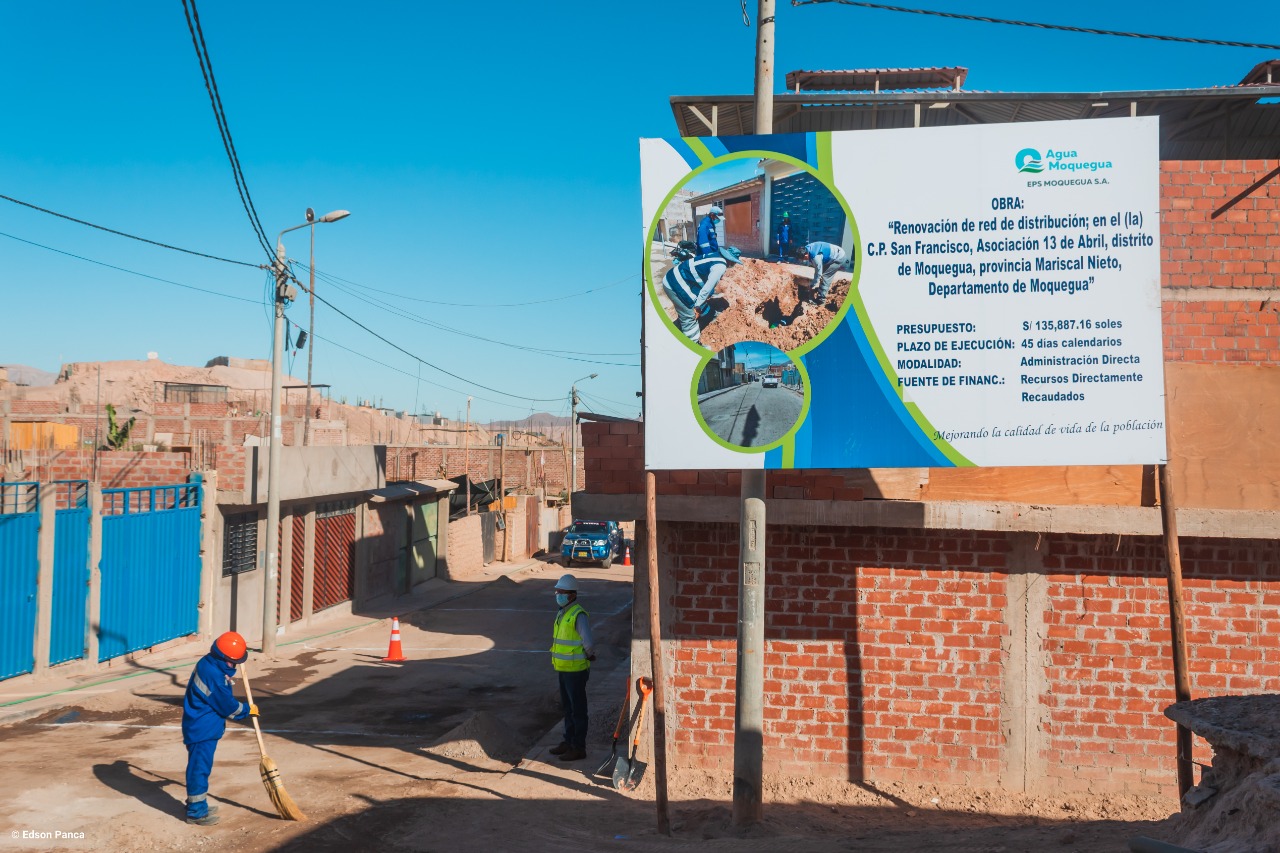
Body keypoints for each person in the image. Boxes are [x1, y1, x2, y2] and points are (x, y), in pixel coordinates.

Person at [182, 631, 257, 826]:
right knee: (199, 769)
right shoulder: (215, 676)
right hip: (202, 729)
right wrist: (248, 710)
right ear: (224, 658)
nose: (235, 665)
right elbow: (228, 707)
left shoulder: (208, 662)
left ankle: (197, 803)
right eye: (234, 662)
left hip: (200, 724)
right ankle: (196, 812)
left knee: (198, 768)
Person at [549, 573, 595, 762]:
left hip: (576, 671)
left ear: (572, 595)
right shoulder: (563, 613)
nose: (557, 594)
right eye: (557, 591)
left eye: (561, 592)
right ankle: (568, 741)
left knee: (577, 710)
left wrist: (590, 655)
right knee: (568, 708)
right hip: (564, 669)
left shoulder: (578, 614)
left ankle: (578, 747)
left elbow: (588, 642)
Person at [661, 246, 743, 344]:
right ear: (731, 261)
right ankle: (692, 343)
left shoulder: (715, 255)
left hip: (677, 277)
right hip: (674, 285)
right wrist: (697, 306)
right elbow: (706, 290)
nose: (733, 265)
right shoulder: (720, 266)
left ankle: (709, 315)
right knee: (689, 316)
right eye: (734, 262)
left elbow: (703, 279)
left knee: (700, 302)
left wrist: (701, 303)